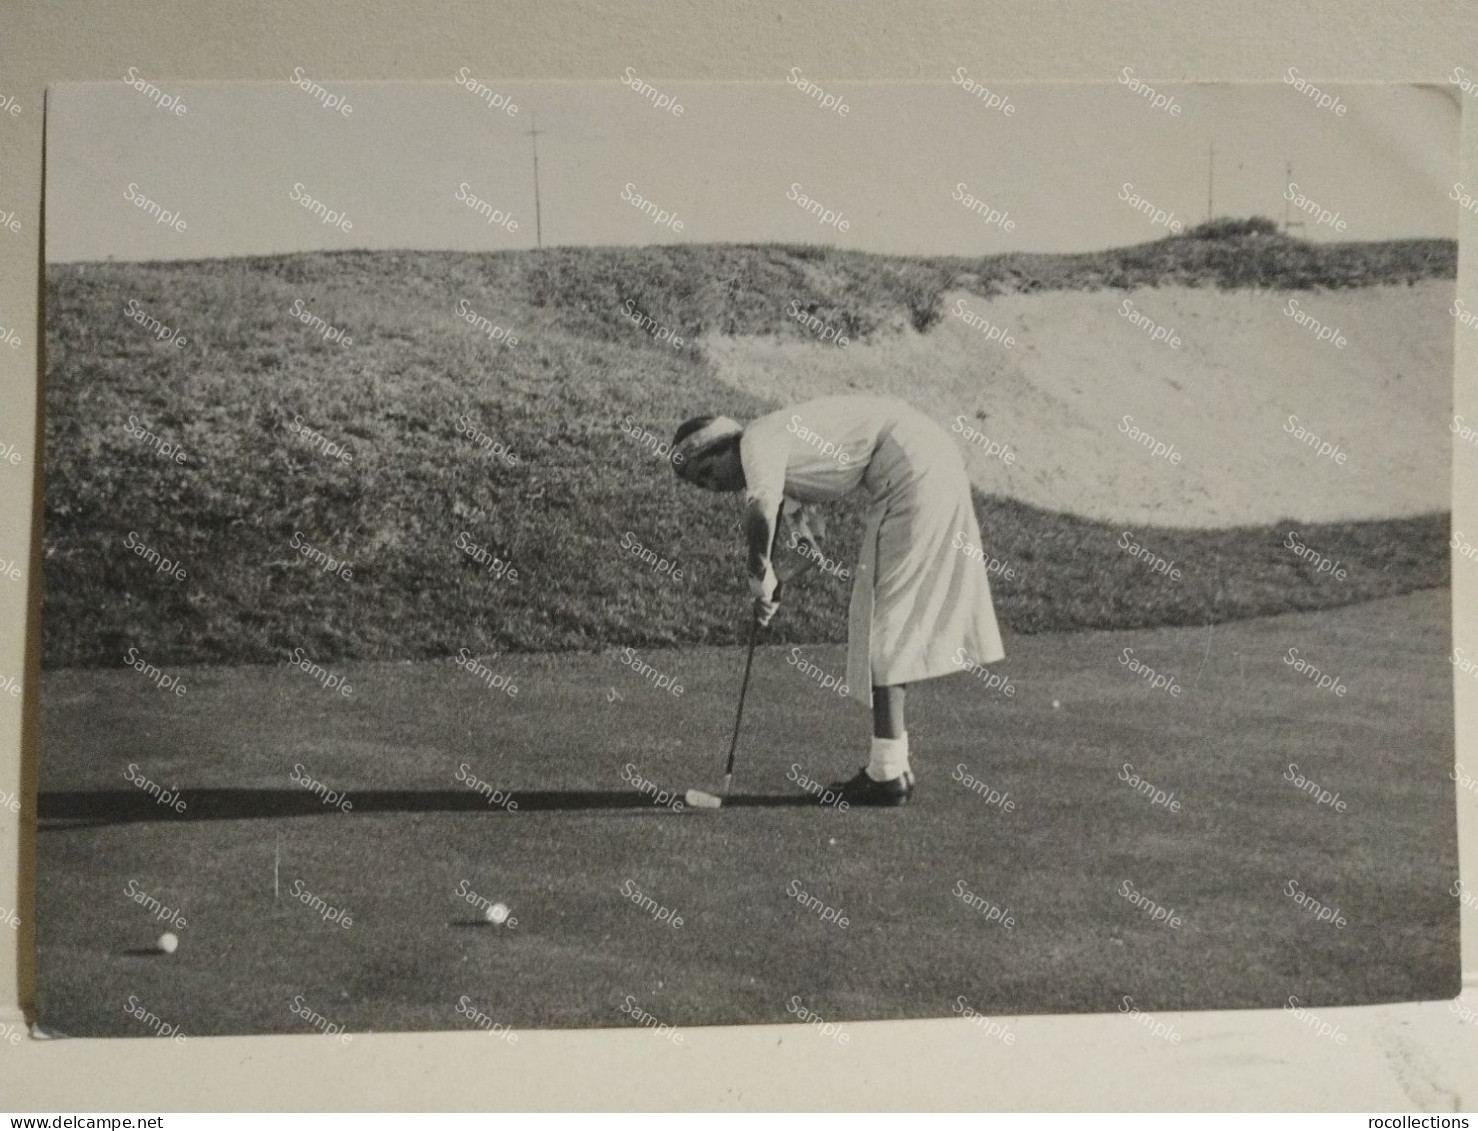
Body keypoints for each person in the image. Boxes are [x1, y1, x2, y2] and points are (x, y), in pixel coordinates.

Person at [671, 394, 1005, 805]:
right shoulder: (780, 463)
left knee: (883, 622)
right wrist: (774, 586)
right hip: (919, 460)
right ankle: (892, 766)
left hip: (910, 466)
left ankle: (887, 775)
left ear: (723, 446)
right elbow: (810, 546)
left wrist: (757, 571)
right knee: (880, 618)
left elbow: (760, 515)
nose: (710, 486)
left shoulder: (756, 441)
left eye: (706, 471)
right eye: (699, 484)